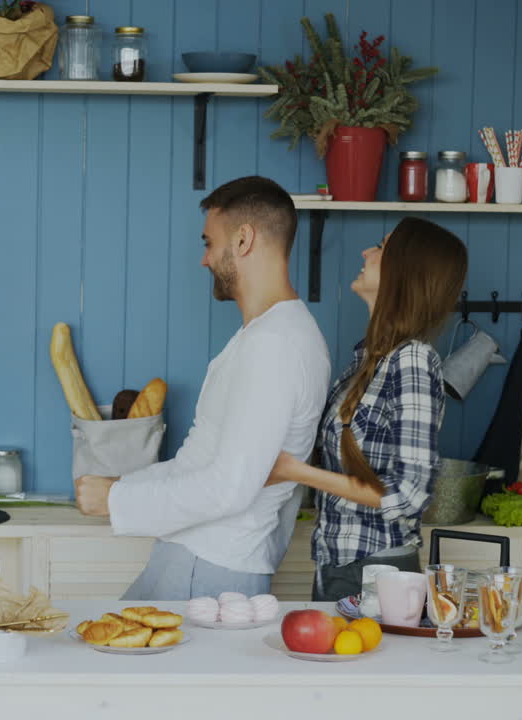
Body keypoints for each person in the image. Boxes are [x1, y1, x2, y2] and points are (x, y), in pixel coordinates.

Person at [73, 175, 331, 601]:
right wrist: (126, 486)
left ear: (244, 239)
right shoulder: (266, 336)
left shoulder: (276, 344)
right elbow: (203, 457)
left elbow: (230, 486)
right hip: (198, 557)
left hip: (212, 568)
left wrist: (116, 501)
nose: (204, 259)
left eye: (209, 242)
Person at [266, 216, 467, 602]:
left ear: (405, 272)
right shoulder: (368, 359)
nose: (366, 252)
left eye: (381, 247)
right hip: (341, 564)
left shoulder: (413, 361)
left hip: (377, 573)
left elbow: (409, 494)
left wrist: (297, 472)